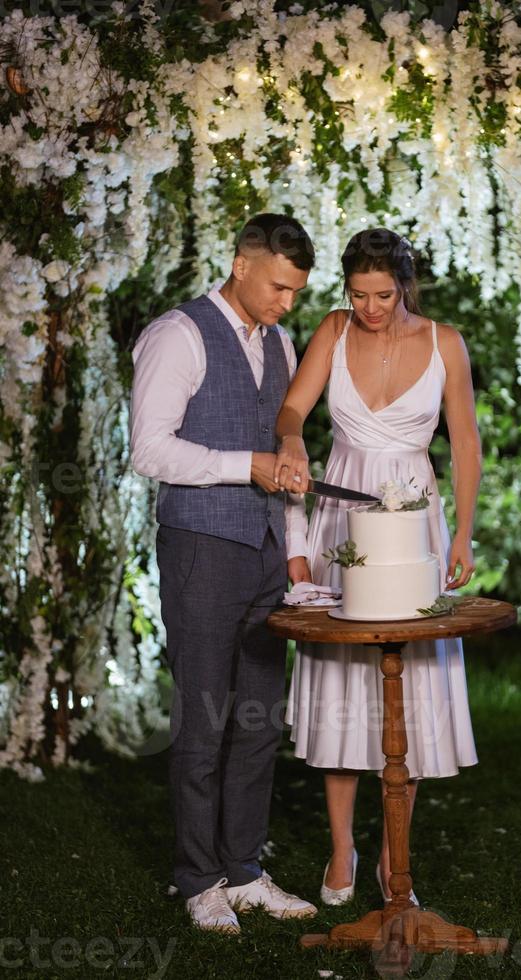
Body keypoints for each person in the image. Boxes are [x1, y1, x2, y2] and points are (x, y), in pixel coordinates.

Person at [274, 228, 481, 906]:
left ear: (405, 285)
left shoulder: (444, 342)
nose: (369, 308)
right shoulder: (334, 331)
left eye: (383, 295)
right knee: (343, 681)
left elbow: (468, 443)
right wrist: (290, 440)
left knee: (409, 684)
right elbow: (293, 408)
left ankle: (397, 861)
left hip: (415, 515)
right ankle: (342, 850)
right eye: (358, 295)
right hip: (344, 519)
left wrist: (464, 536)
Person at [129, 213, 317, 933]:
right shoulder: (177, 336)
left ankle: (244, 871)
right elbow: (150, 451)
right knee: (206, 724)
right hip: (201, 550)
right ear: (241, 264)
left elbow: (284, 463)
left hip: (267, 556)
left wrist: (294, 549)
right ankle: (198, 879)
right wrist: (247, 467)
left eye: (297, 292)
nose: (286, 304)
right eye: (278, 287)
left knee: (259, 723)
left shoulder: (281, 342)